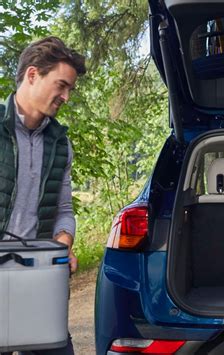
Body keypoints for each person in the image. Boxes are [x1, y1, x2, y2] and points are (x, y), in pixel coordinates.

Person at [0, 36, 86, 355]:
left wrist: (63, 243)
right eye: (61, 85)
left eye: (69, 90)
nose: (65, 96)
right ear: (33, 74)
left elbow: (64, 208)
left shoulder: (61, 144)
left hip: (39, 277)